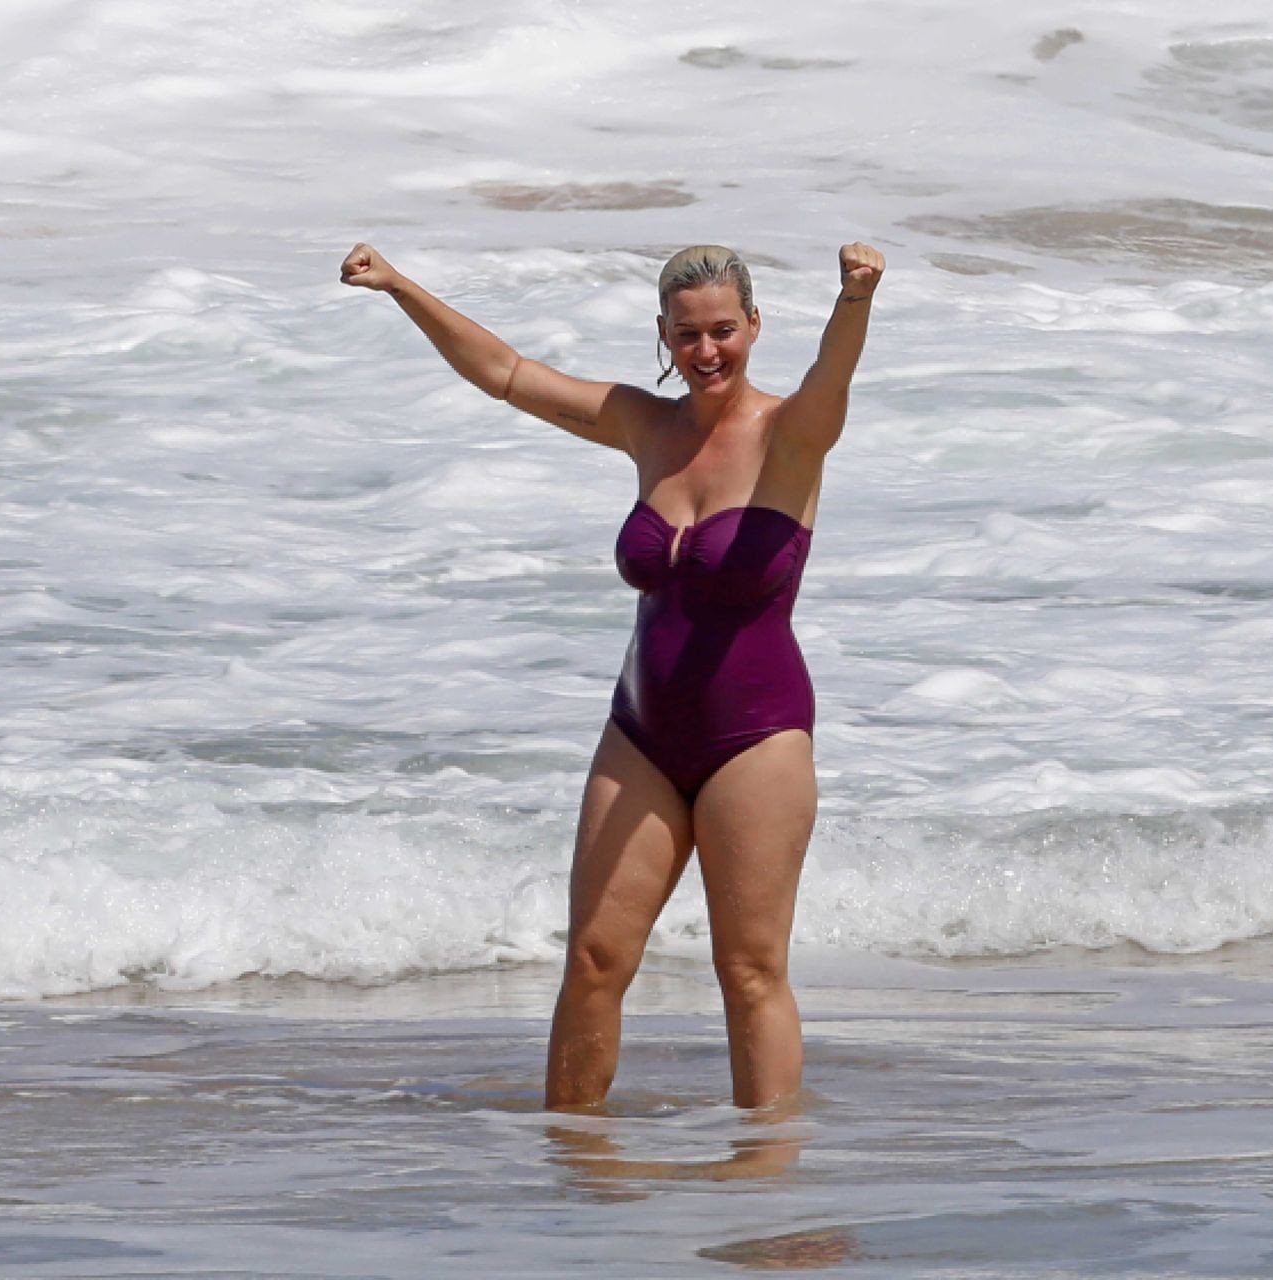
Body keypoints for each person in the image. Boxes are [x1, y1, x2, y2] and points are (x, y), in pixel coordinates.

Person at [340, 238, 883, 1109]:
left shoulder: (793, 434)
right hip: (641, 735)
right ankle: (575, 1158)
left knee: (749, 970)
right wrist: (401, 286)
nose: (706, 351)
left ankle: (766, 1171)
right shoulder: (647, 427)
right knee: (593, 961)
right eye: (686, 334)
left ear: (754, 326)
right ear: (664, 336)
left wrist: (855, 297)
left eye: (723, 331)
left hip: (757, 739)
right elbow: (508, 375)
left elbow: (834, 371)